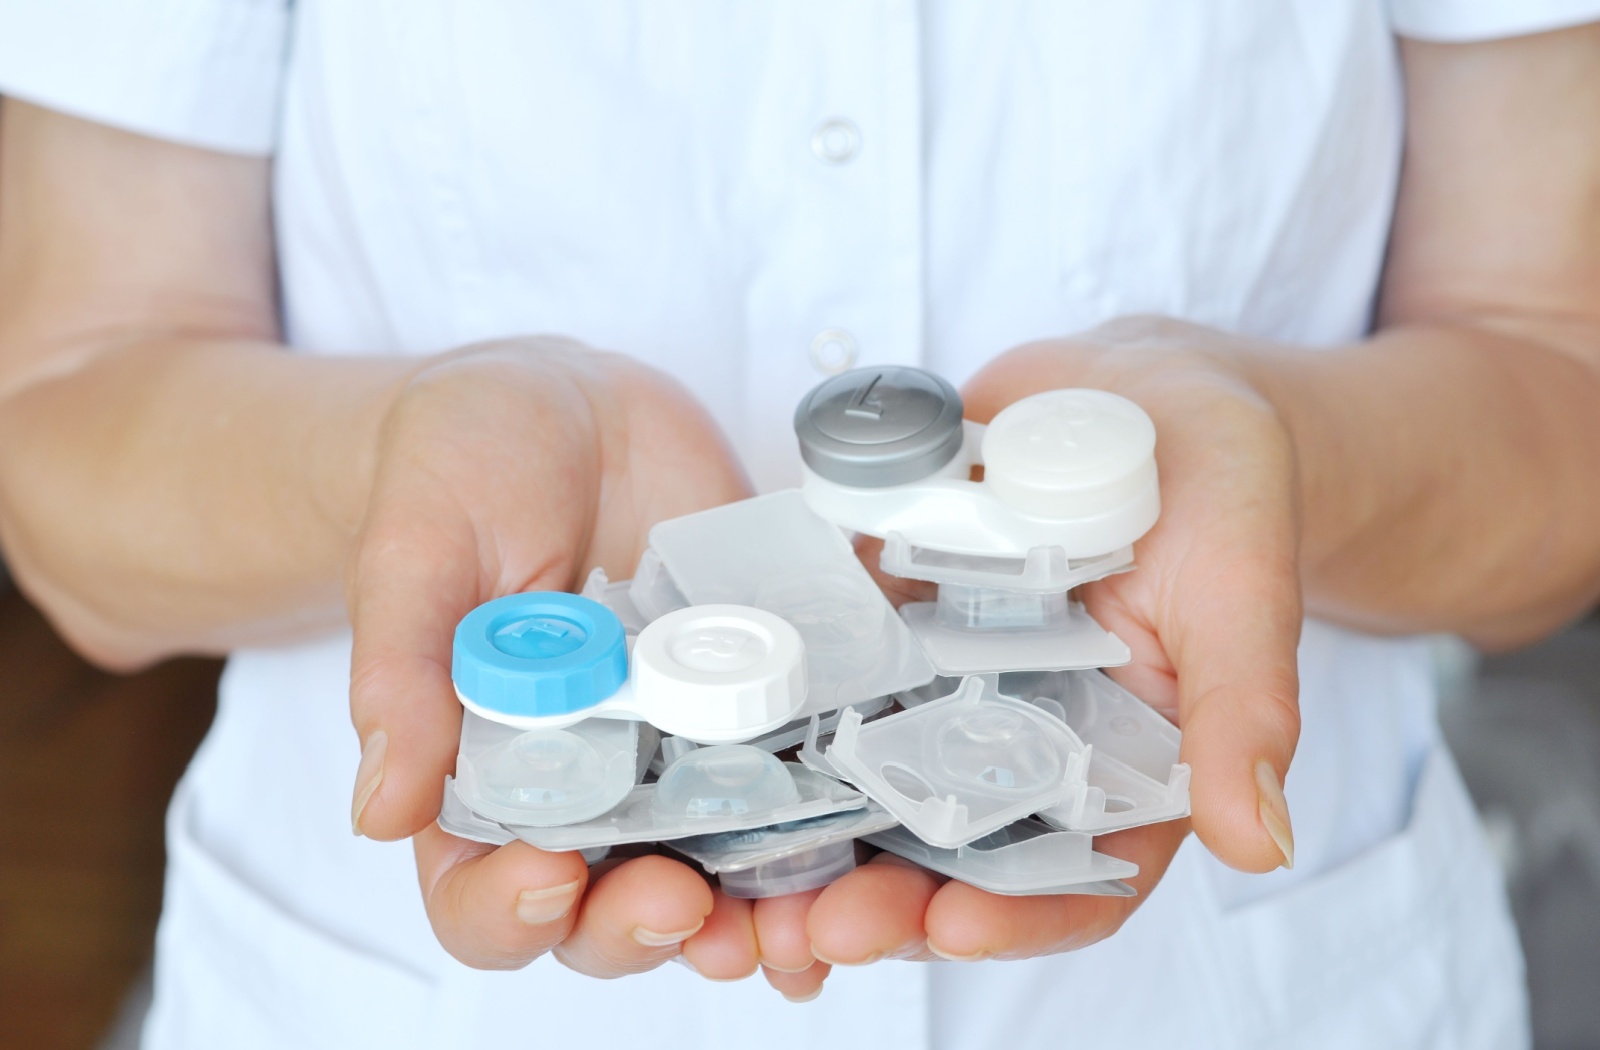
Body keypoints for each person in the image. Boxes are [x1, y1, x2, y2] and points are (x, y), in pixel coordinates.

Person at [1, 2, 1599, 1047]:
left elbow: (1555, 389)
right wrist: (398, 464)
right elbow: (69, 437)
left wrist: (1267, 447)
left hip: (1245, 991)